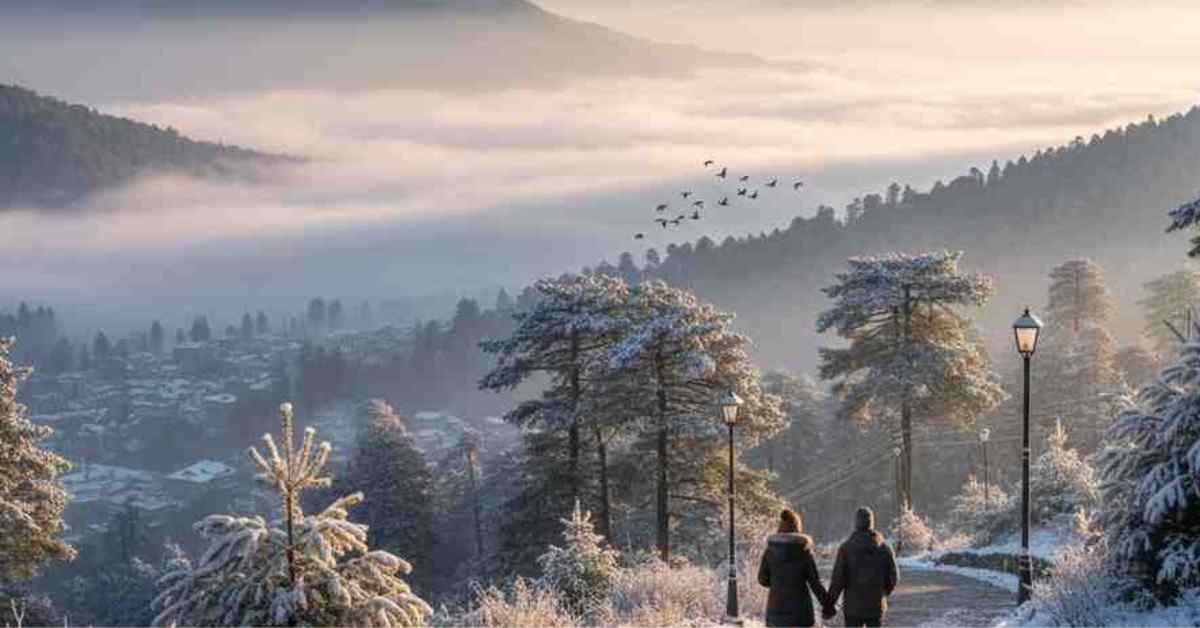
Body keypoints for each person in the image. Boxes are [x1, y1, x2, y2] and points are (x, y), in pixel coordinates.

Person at [825, 507, 899, 628]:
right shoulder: (884, 548)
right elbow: (893, 576)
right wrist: (883, 593)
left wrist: (829, 605)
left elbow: (837, 580)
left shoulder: (846, 548)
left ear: (856, 523)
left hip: (852, 608)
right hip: (875, 606)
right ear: (872, 523)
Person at [757, 508, 831, 627]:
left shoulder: (770, 551)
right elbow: (815, 583)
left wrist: (778, 581)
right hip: (800, 614)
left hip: (776, 612)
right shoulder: (804, 551)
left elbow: (762, 579)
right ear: (797, 527)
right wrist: (828, 605)